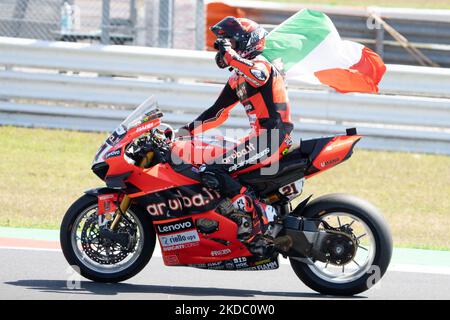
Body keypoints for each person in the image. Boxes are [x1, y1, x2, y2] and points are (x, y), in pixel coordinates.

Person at [178, 16, 293, 254]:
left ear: (246, 42)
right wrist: (185, 132)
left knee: (215, 170)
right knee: (207, 154)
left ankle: (257, 220)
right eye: (224, 42)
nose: (225, 46)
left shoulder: (262, 64)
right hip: (260, 137)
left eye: (230, 41)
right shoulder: (237, 78)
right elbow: (217, 113)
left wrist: (231, 56)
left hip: (272, 137)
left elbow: (259, 76)